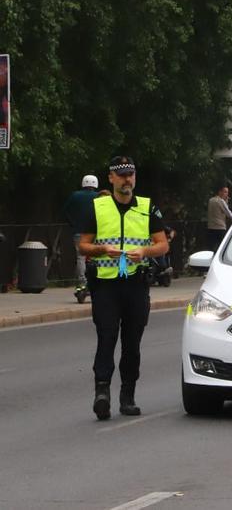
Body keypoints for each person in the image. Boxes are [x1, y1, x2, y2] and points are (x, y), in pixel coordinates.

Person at [78, 156, 170, 419]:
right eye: (121, 175)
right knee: (106, 337)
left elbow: (163, 244)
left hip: (136, 283)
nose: (127, 179)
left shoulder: (147, 207)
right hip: (106, 284)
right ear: (111, 178)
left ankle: (127, 396)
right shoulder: (97, 207)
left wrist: (144, 251)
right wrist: (101, 249)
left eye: (130, 174)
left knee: (132, 343)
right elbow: (82, 245)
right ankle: (102, 393)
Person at [63, 175, 100, 291]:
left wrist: (72, 223)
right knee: (97, 255)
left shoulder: (75, 196)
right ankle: (96, 279)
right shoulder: (99, 197)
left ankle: (81, 281)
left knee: (80, 257)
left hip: (79, 231)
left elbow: (65, 211)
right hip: (96, 231)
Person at [207, 183, 232, 252]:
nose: (227, 194)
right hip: (220, 228)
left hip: (211, 227)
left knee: (211, 248)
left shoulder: (211, 200)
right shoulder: (220, 201)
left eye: (227, 192)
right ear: (219, 192)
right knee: (223, 249)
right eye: (225, 192)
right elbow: (230, 215)